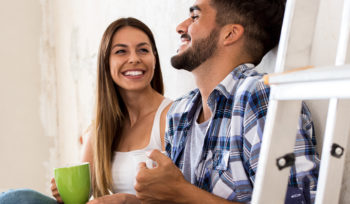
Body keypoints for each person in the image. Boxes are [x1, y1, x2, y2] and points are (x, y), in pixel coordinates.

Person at [134, 0, 320, 203]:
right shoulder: (179, 112)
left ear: (230, 34)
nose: (180, 27)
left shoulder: (260, 97)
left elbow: (302, 201)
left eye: (195, 17)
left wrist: (182, 192)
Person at [0, 17, 171, 204]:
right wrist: (64, 192)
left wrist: (127, 201)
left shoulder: (173, 117)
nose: (134, 58)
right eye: (121, 51)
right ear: (105, 62)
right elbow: (79, 198)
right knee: (14, 199)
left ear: (154, 58)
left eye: (143, 50)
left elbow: (185, 194)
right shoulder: (100, 130)